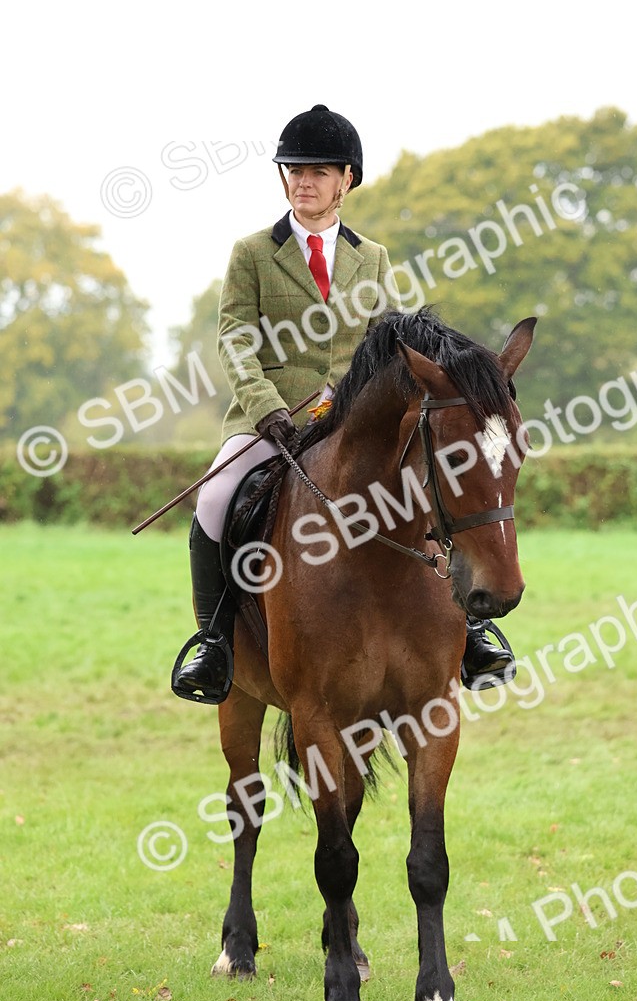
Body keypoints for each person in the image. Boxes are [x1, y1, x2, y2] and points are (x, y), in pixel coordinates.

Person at [172, 104, 514, 704]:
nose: (305, 181)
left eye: (320, 171)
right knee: (216, 498)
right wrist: (265, 405)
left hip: (352, 421)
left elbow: (386, 341)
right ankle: (214, 642)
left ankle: (476, 630)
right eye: (295, 170)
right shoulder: (251, 252)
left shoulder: (372, 257)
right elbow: (233, 338)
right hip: (272, 420)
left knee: (435, 481)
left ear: (346, 180)